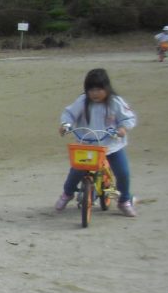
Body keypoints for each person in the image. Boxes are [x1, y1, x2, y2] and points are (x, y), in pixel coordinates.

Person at [56, 68, 137, 217]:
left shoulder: (115, 102)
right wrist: (65, 125)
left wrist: (123, 128)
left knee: (123, 172)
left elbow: (128, 118)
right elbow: (69, 113)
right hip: (87, 144)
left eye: (99, 89)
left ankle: (124, 200)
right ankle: (67, 194)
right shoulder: (82, 101)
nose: (94, 93)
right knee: (76, 171)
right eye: (91, 90)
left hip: (111, 145)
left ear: (106, 88)